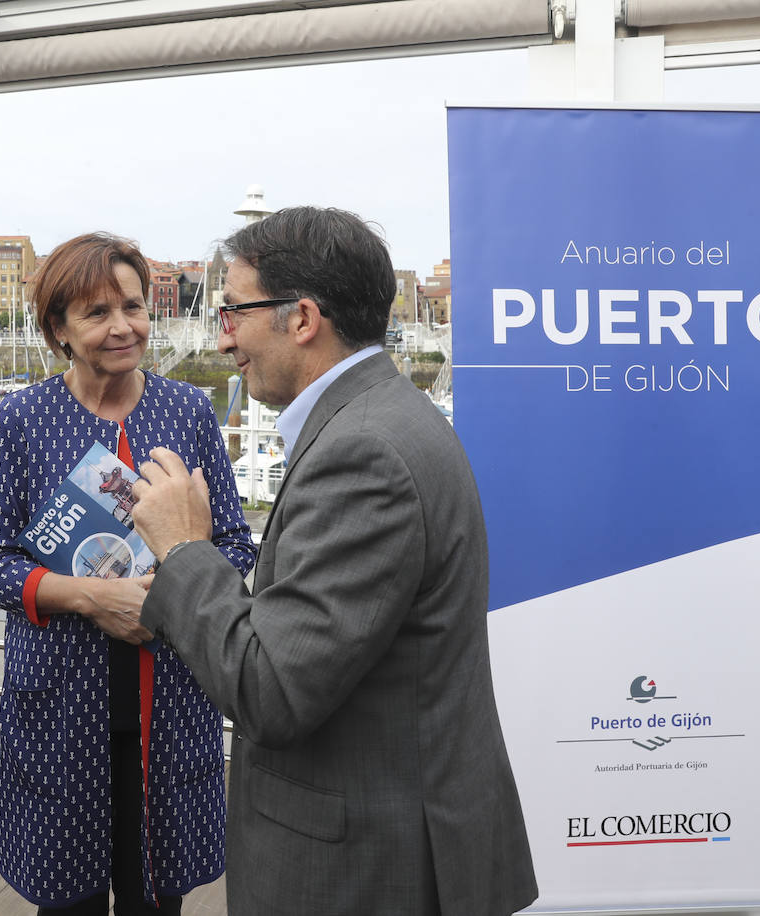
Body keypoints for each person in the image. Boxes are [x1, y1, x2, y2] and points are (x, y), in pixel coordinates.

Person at [130, 207, 538, 916]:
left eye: (233, 313)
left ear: (303, 318)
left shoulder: (363, 453)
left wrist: (185, 549)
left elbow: (272, 691)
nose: (223, 339)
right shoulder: (387, 417)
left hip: (366, 869)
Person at [0, 232, 256, 914]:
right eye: (97, 313)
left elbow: (239, 547)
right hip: (62, 708)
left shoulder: (186, 412)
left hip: (173, 704)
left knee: (158, 898)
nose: (123, 327)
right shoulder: (23, 419)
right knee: (66, 899)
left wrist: (171, 591)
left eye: (132, 306)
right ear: (58, 329)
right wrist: (93, 597)